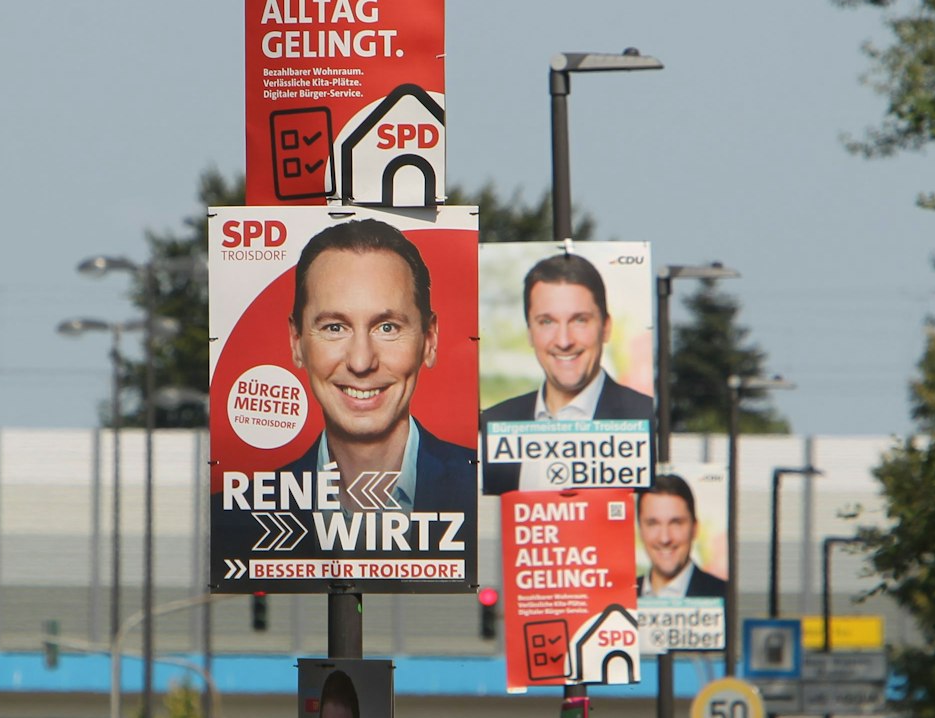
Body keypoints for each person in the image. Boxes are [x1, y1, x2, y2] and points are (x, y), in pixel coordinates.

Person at [280, 218, 474, 512]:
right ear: (296, 342)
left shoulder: (480, 491)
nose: (361, 362)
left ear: (429, 340)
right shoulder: (243, 514)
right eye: (335, 327)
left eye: (387, 327)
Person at [481, 253, 655, 494]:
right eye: (546, 322)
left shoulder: (645, 418)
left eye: (579, 320)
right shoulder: (494, 423)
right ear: (530, 332)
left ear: (606, 328)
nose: (563, 341)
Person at [635, 474, 727, 600]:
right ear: (640, 530)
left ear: (695, 528)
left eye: (676, 523)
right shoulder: (620, 599)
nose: (664, 538)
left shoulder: (725, 598)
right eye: (653, 523)